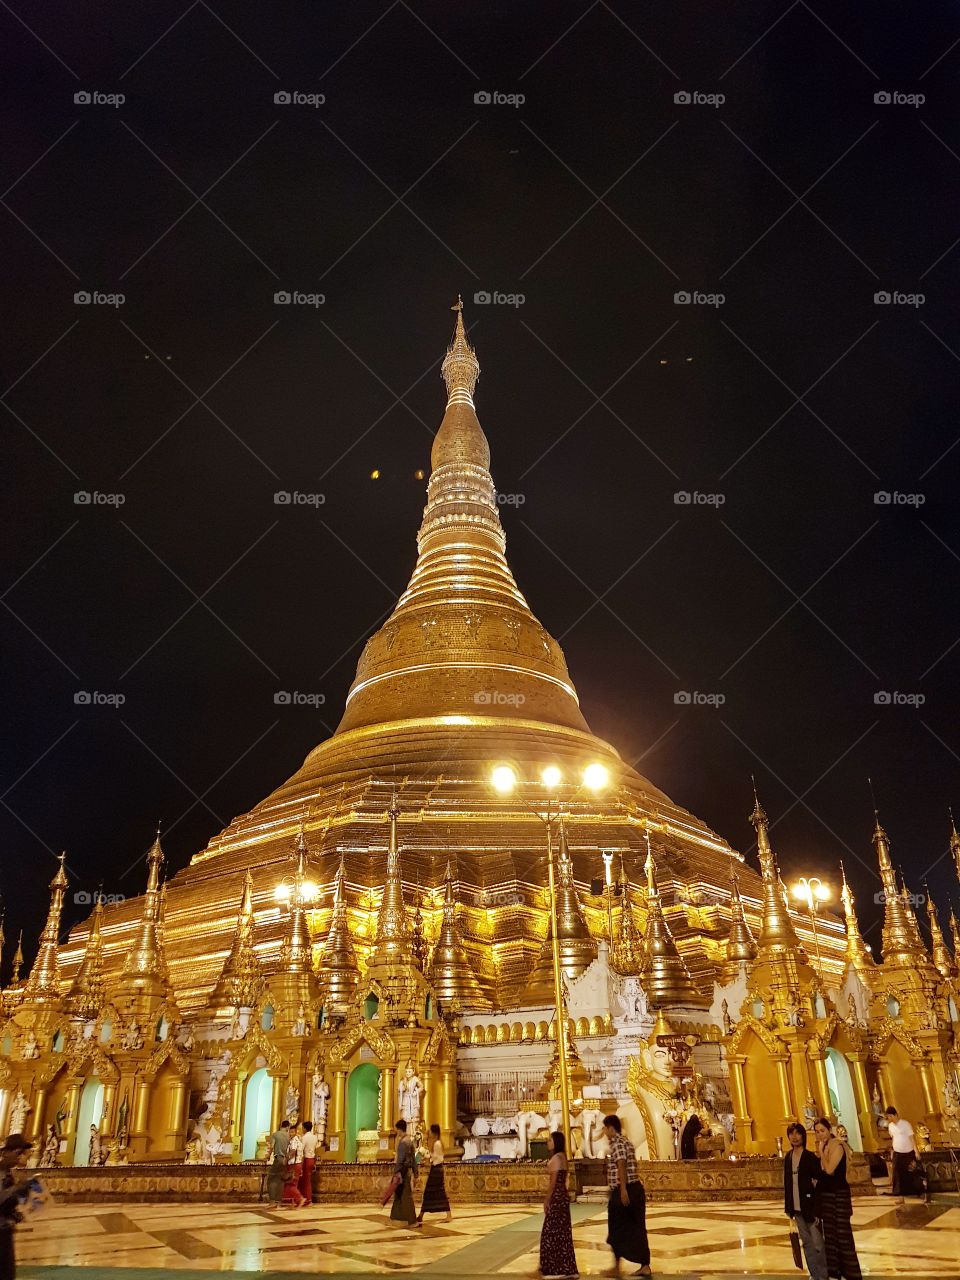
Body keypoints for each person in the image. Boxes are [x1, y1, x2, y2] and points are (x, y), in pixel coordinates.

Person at [602, 1114, 651, 1277]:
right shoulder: (626, 1141)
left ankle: (616, 1266)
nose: (604, 1132)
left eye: (604, 1128)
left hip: (626, 1189)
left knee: (616, 1228)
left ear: (610, 1128)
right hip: (633, 1189)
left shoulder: (618, 1143)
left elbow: (621, 1164)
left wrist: (622, 1190)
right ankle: (644, 1264)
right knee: (637, 1227)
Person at [814, 1118, 861, 1280]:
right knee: (831, 1234)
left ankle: (851, 1273)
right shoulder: (826, 1146)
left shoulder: (837, 1146)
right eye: (817, 1131)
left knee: (842, 1233)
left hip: (839, 1194)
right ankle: (835, 1271)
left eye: (822, 1130)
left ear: (829, 1130)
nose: (820, 1134)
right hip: (827, 1195)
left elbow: (829, 1170)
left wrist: (820, 1152)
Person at [784, 1123, 827, 1280]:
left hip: (810, 1207)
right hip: (796, 1208)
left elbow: (818, 1184)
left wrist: (818, 1209)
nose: (794, 1137)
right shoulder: (788, 1158)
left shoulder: (810, 1158)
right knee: (807, 1244)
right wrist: (789, 1208)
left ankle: (823, 1275)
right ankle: (814, 1274)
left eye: (798, 1133)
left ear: (803, 1136)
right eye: (791, 1134)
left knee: (818, 1245)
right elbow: (787, 1184)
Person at [539, 1130, 578, 1278]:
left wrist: (547, 1199)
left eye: (550, 1140)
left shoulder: (556, 1158)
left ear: (556, 1142)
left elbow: (553, 1182)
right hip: (563, 1197)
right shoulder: (563, 1157)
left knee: (549, 1234)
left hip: (556, 1197)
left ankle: (553, 1269)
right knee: (563, 1233)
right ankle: (568, 1268)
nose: (547, 1142)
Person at [0, 1134, 34, 1280]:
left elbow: (7, 1203)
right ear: (4, 1152)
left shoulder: (9, 1173)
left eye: (22, 1153)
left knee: (8, 1272)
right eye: (18, 1152)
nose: (20, 1157)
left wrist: (15, 1213)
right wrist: (18, 1189)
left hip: (5, 1229)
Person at [415, 1123, 451, 1226]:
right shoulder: (436, 1142)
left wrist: (426, 1154)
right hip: (436, 1169)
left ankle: (448, 1215)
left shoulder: (437, 1144)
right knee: (431, 1193)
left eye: (430, 1131)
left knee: (434, 1192)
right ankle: (421, 1215)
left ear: (434, 1133)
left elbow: (436, 1156)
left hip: (437, 1170)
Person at [883, 1107, 917, 1202]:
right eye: (888, 1117)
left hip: (908, 1151)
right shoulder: (890, 1126)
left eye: (890, 1116)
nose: (889, 1118)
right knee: (897, 1174)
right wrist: (892, 1151)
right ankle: (900, 1196)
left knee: (910, 1172)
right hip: (897, 1152)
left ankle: (913, 1192)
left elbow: (912, 1138)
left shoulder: (905, 1124)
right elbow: (894, 1138)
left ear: (895, 1115)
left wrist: (916, 1151)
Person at [390, 1119, 417, 1228]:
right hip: (408, 1171)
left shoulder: (403, 1143)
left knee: (405, 1196)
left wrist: (396, 1172)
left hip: (402, 1172)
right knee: (399, 1195)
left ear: (400, 1130)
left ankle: (412, 1220)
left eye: (397, 1130)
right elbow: (414, 1160)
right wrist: (416, 1173)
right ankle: (396, 1217)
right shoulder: (410, 1141)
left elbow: (400, 1160)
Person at [267, 1119, 290, 1207]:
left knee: (271, 1179)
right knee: (281, 1180)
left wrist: (268, 1156)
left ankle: (272, 1200)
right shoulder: (288, 1136)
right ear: (287, 1127)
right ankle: (278, 1201)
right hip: (285, 1159)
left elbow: (271, 1146)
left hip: (278, 1158)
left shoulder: (275, 1134)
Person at [282, 1122, 306, 1207]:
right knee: (294, 1183)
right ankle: (295, 1201)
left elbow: (293, 1151)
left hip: (294, 1164)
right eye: (290, 1132)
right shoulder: (297, 1140)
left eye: (292, 1132)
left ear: (296, 1132)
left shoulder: (294, 1141)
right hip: (297, 1164)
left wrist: (286, 1158)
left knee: (290, 1183)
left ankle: (300, 1198)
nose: (290, 1134)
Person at [299, 1120, 317, 1206]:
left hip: (306, 1159)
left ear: (305, 1129)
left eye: (302, 1128)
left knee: (305, 1181)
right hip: (312, 1159)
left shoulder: (305, 1137)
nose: (302, 1129)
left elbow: (301, 1149)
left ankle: (307, 1199)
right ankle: (308, 1199)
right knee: (308, 1180)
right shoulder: (314, 1137)